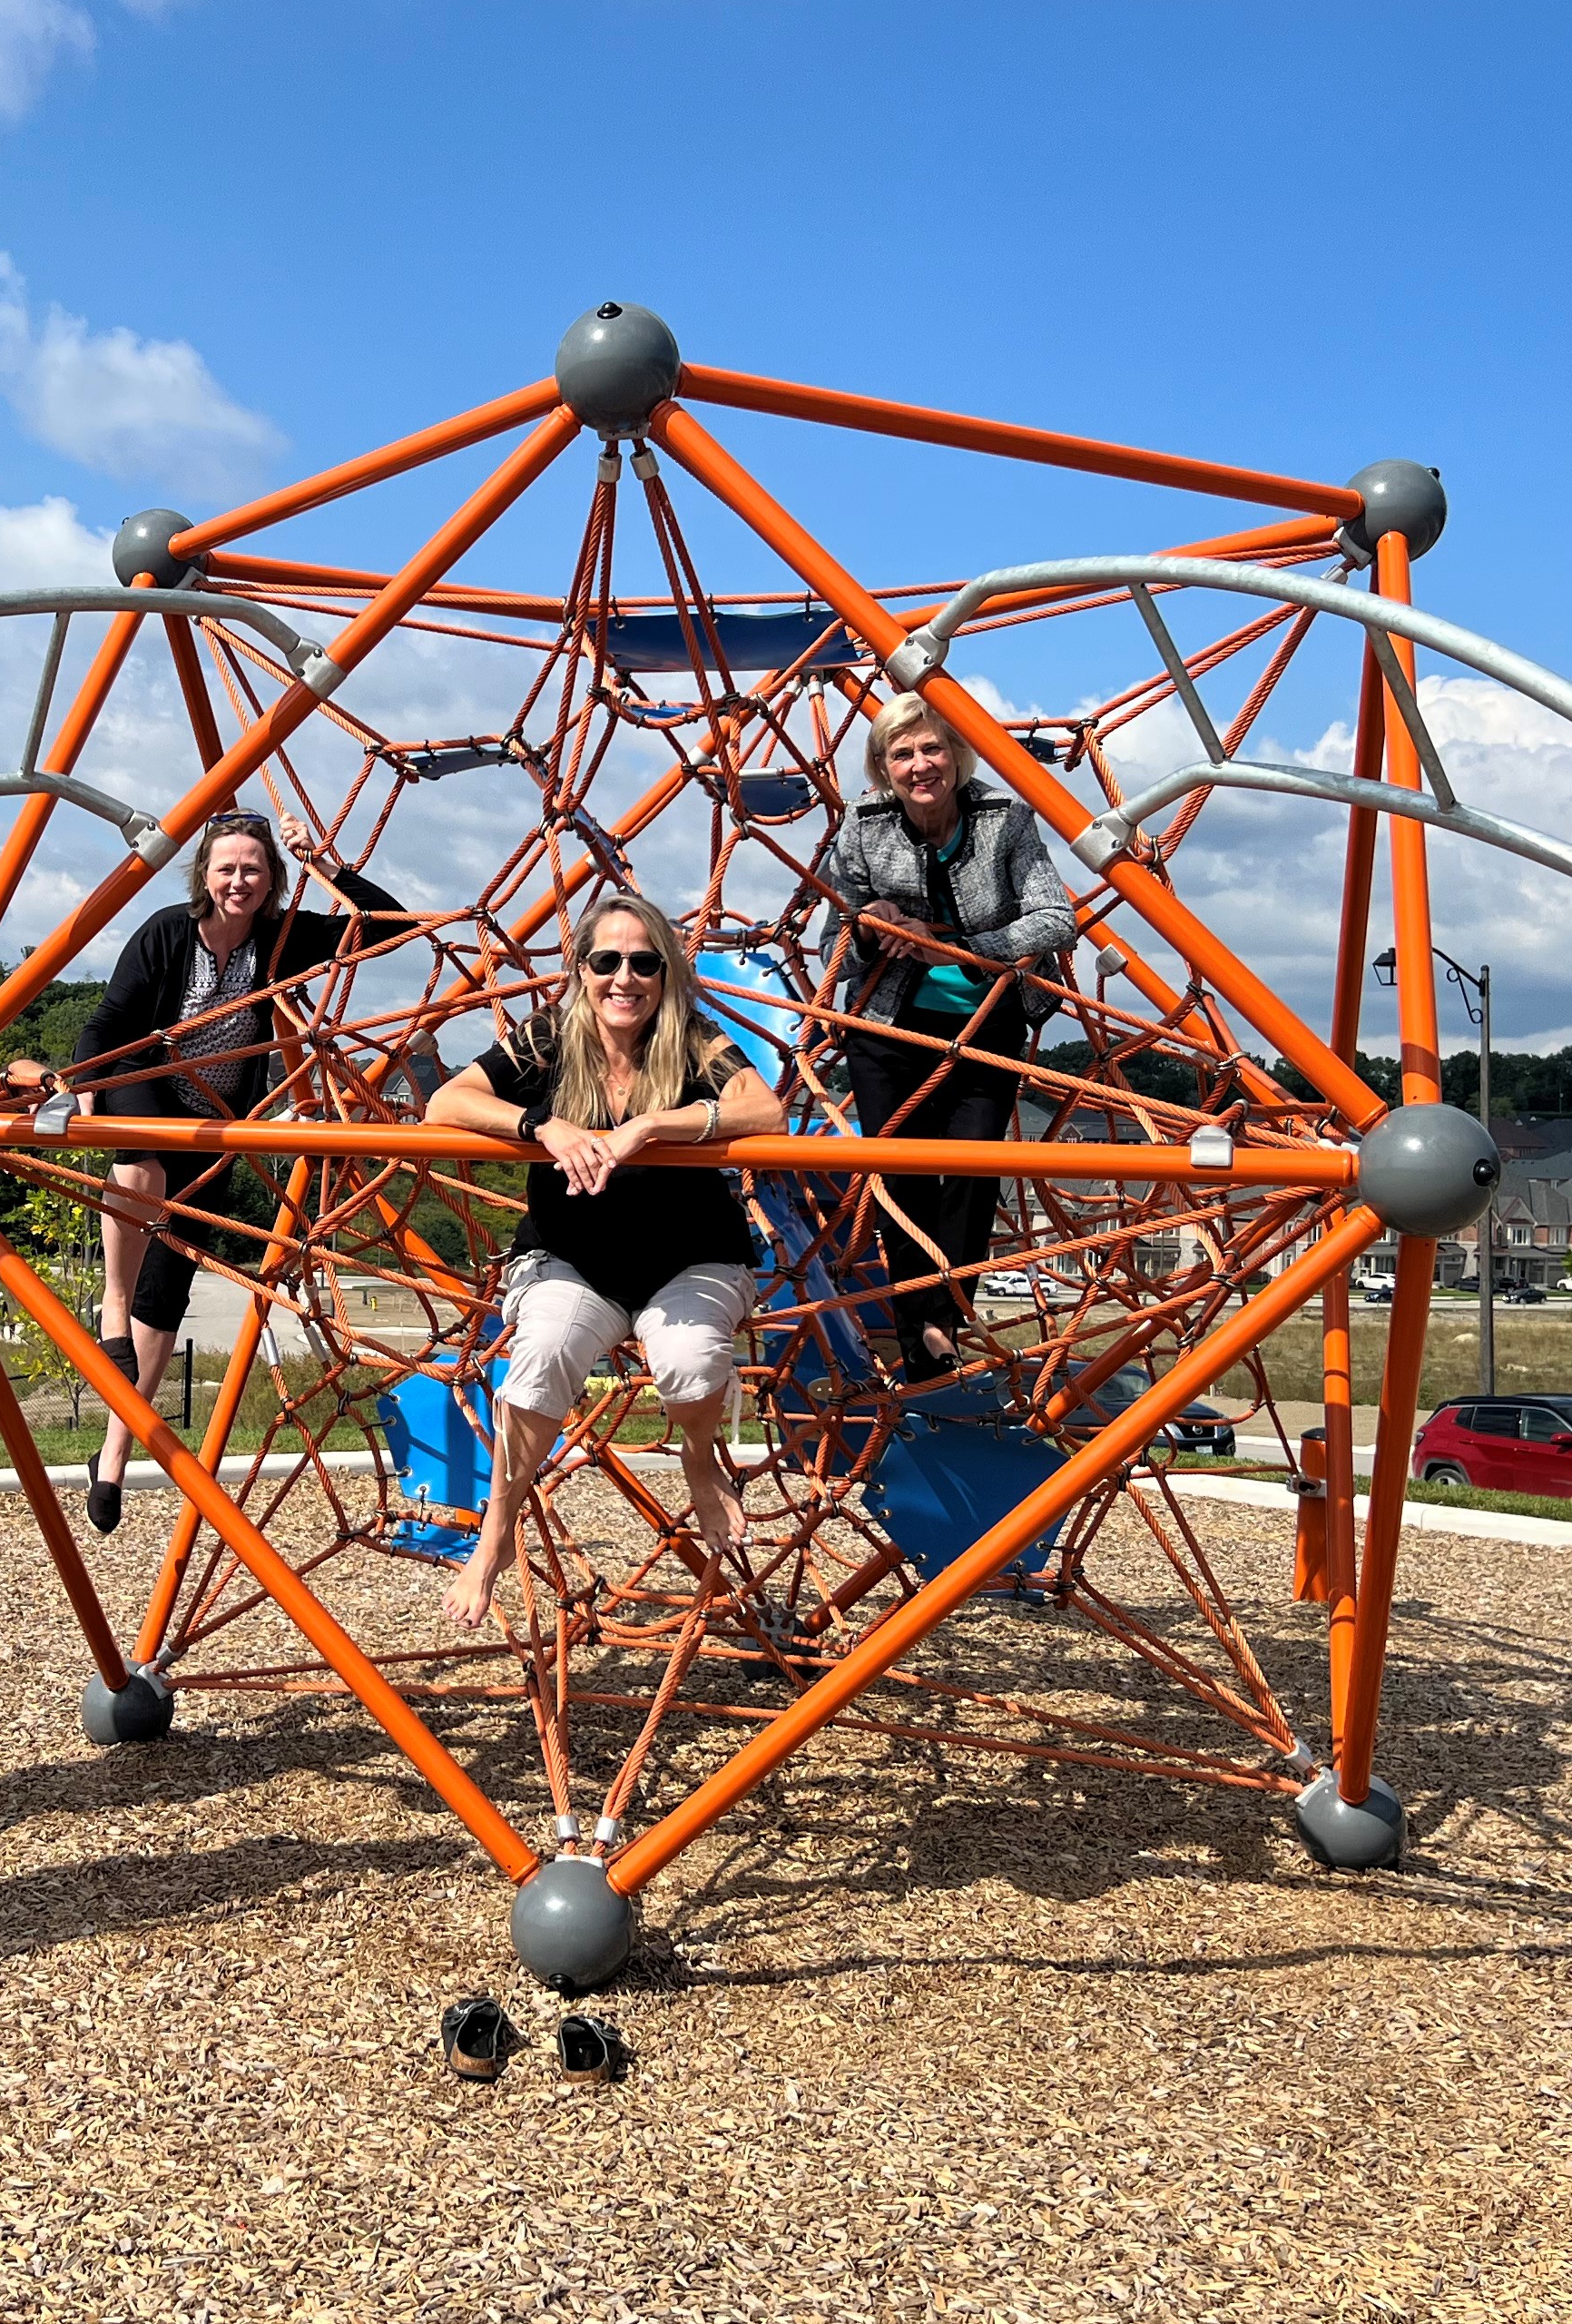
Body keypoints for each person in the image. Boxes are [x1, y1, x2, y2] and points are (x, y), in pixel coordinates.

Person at [423, 891, 782, 1630]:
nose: (626, 978)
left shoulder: (691, 1043)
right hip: (572, 1258)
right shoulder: (549, 1040)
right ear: (581, 969)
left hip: (693, 1258)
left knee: (686, 1356)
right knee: (544, 1350)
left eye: (645, 962)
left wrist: (652, 1126)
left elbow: (764, 1110)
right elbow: (446, 1105)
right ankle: (496, 1532)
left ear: (667, 975)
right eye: (607, 960)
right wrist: (543, 1124)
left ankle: (698, 1456)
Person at [67, 812, 416, 1533]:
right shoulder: (168, 932)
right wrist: (80, 1080)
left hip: (218, 1118)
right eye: (226, 868)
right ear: (204, 874)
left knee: (166, 1298)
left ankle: (114, 1453)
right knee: (143, 1161)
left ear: (271, 878)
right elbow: (110, 1020)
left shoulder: (281, 940)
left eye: (253, 868)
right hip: (151, 1079)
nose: (238, 881)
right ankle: (110, 1296)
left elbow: (391, 927)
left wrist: (323, 860)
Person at [820, 694, 1076, 1374]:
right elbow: (833, 953)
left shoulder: (1005, 819)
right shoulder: (863, 827)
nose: (919, 765)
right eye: (902, 754)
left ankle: (948, 1321)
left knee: (971, 1172)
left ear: (957, 756)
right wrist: (869, 932)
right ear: (882, 768)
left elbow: (1056, 918)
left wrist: (962, 947)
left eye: (931, 748)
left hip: (984, 1019)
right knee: (900, 1177)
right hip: (889, 1027)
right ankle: (924, 1346)